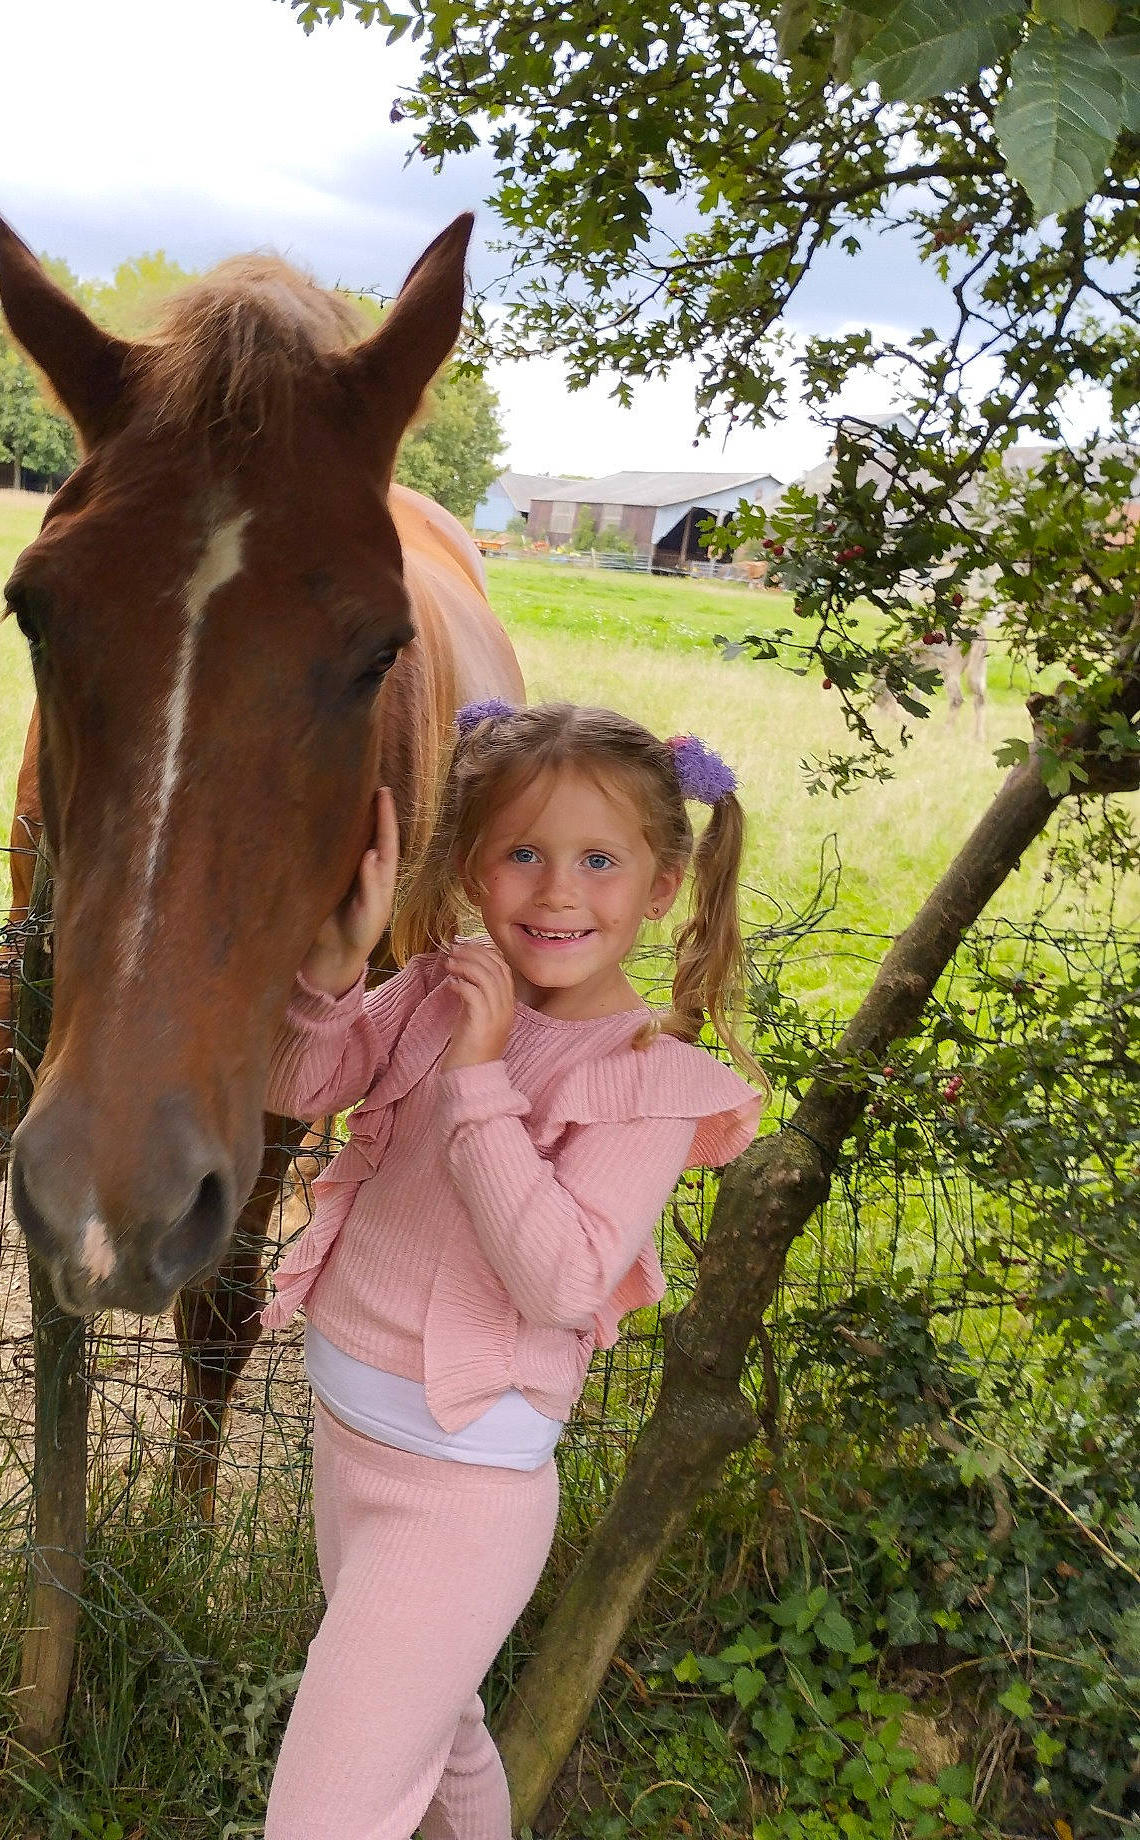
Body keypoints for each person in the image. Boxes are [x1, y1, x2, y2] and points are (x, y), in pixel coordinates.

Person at [260, 699, 764, 1840]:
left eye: (598, 859)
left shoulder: (647, 1075)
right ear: (474, 866)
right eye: (523, 853)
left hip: (460, 1492)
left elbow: (564, 1279)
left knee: (324, 1815)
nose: (556, 892)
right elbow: (301, 1084)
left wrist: (481, 1081)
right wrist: (331, 973)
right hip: (352, 1438)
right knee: (437, 1740)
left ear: (663, 882)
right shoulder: (448, 985)